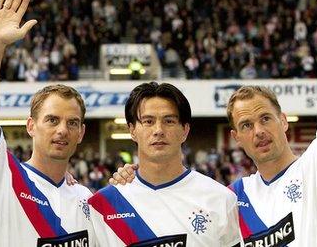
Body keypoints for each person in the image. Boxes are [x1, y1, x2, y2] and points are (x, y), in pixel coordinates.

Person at [110, 0, 317, 246]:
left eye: (265, 118)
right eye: (246, 125)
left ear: (283, 121)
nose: (258, 131)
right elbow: (174, 199)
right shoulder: (232, 199)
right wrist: (131, 179)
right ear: (236, 137)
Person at [0, 0, 94, 246]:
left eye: (72, 123)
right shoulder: (2, 178)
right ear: (31, 126)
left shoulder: (86, 199)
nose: (62, 130)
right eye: (52, 120)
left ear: (81, 133)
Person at [88, 82, 242, 246]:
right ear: (132, 130)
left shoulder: (220, 198)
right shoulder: (103, 204)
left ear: (185, 130)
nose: (158, 130)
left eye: (168, 121)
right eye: (148, 121)